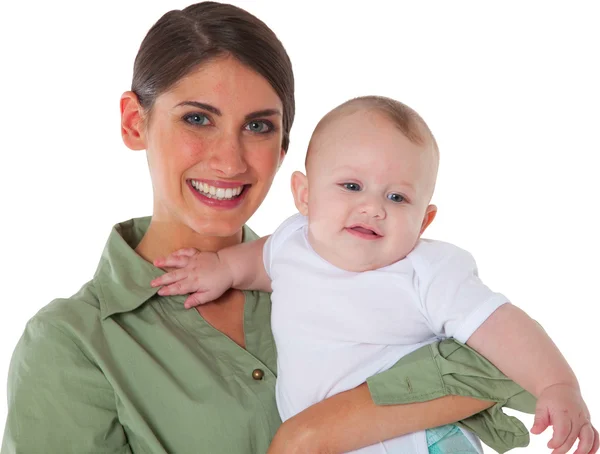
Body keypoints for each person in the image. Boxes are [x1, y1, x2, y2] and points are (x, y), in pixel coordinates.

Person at [0, 3, 519, 454]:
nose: (229, 161)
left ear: (285, 152)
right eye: (197, 119)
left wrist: (312, 434)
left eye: (258, 126)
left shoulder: (343, 265)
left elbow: (508, 367)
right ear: (135, 123)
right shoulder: (73, 342)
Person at [151, 95, 598, 453]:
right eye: (351, 186)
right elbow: (256, 262)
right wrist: (221, 269)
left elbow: (503, 325)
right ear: (304, 195)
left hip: (419, 441)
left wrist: (557, 384)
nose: (373, 207)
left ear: (424, 222)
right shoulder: (292, 242)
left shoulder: (428, 271)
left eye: (398, 198)